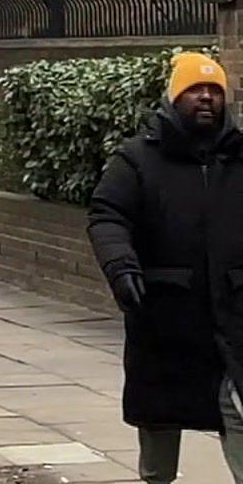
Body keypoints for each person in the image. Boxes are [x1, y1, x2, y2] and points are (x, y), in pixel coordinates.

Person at [90, 51, 243, 481]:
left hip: (233, 317)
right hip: (164, 316)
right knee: (159, 426)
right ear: (174, 97)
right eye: (196, 90)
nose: (207, 98)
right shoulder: (137, 158)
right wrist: (121, 266)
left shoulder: (239, 158)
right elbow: (107, 215)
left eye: (214, 90)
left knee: (237, 409)